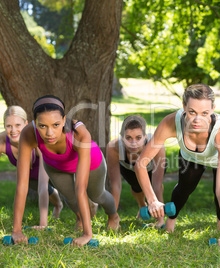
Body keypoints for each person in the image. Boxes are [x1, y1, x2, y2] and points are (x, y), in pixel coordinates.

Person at [134, 83, 220, 246]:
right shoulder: (171, 122)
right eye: (192, 112)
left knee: (219, 191)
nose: (197, 120)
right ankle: (169, 225)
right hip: (192, 155)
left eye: (205, 113)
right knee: (184, 186)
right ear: (184, 106)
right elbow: (140, 164)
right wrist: (152, 200)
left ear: (213, 109)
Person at [12, 95, 120, 247]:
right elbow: (22, 185)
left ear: (64, 120)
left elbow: (80, 188)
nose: (50, 133)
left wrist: (87, 235)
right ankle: (81, 218)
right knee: (70, 198)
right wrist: (16, 230)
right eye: (42, 126)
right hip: (56, 165)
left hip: (91, 161)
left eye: (56, 125)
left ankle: (113, 216)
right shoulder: (28, 134)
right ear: (35, 123)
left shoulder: (79, 134)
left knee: (97, 194)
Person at [0, 106, 63, 228]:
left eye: (18, 125)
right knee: (43, 188)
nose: (13, 130)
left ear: (26, 124)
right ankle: (58, 205)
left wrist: (42, 225)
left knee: (61, 190)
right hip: (31, 177)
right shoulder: (3, 142)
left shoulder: (37, 141)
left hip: (55, 170)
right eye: (9, 126)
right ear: (4, 125)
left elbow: (43, 186)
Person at [107, 115, 166, 227]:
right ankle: (141, 205)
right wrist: (112, 217)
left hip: (152, 167)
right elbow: (116, 186)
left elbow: (157, 185)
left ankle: (159, 217)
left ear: (144, 136)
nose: (133, 143)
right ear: (121, 137)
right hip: (128, 168)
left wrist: (160, 220)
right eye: (128, 138)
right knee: (136, 188)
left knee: (156, 187)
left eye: (138, 138)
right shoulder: (113, 147)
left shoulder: (157, 145)